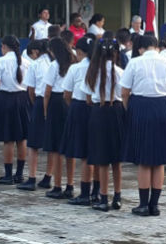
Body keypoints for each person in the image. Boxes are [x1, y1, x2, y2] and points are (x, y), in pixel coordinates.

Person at [120, 35, 166, 217]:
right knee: (159, 160)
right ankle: (155, 205)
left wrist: (128, 109)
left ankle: (143, 204)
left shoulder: (135, 63)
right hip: (163, 105)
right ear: (156, 46)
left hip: (140, 105)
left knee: (144, 160)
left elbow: (124, 91)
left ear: (141, 48)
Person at [82, 32, 125, 212]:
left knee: (101, 160)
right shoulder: (120, 71)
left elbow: (87, 98)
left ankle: (103, 197)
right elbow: (124, 94)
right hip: (116, 111)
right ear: (115, 53)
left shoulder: (92, 72)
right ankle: (117, 196)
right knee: (116, 160)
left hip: (99, 112)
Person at [60, 36, 98, 205]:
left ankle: (84, 192)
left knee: (83, 154)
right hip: (97, 108)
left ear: (80, 52)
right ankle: (97, 191)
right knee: (96, 152)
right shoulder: (100, 67)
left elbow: (66, 94)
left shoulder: (75, 68)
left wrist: (72, 107)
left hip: (79, 107)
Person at [0, 35, 31, 184]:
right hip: (22, 99)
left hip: (5, 99)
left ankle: (8, 175)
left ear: (5, 46)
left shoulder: (0, 61)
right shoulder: (26, 62)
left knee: (8, 139)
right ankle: (19, 174)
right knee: (21, 138)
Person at [18, 40, 53, 191]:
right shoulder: (54, 64)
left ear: (35, 52)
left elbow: (30, 90)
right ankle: (48, 177)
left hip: (39, 101)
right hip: (53, 102)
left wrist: (34, 104)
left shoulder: (35, 65)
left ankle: (31, 178)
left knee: (33, 143)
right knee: (52, 143)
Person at [43, 38, 76, 199]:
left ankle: (57, 185)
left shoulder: (54, 65)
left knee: (56, 148)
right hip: (70, 102)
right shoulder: (74, 63)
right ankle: (70, 185)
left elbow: (47, 91)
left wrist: (45, 110)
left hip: (56, 102)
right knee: (69, 147)